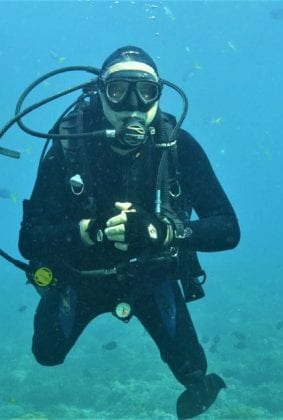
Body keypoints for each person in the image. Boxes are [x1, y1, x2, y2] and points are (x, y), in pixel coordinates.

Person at [18, 46, 240, 419]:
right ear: (101, 93)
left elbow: (228, 229)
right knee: (47, 354)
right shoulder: (69, 144)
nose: (133, 106)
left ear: (159, 96)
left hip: (150, 277)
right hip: (81, 277)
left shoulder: (177, 146)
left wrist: (163, 233)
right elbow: (29, 240)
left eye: (147, 91)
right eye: (119, 90)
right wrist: (90, 230)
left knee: (194, 372)